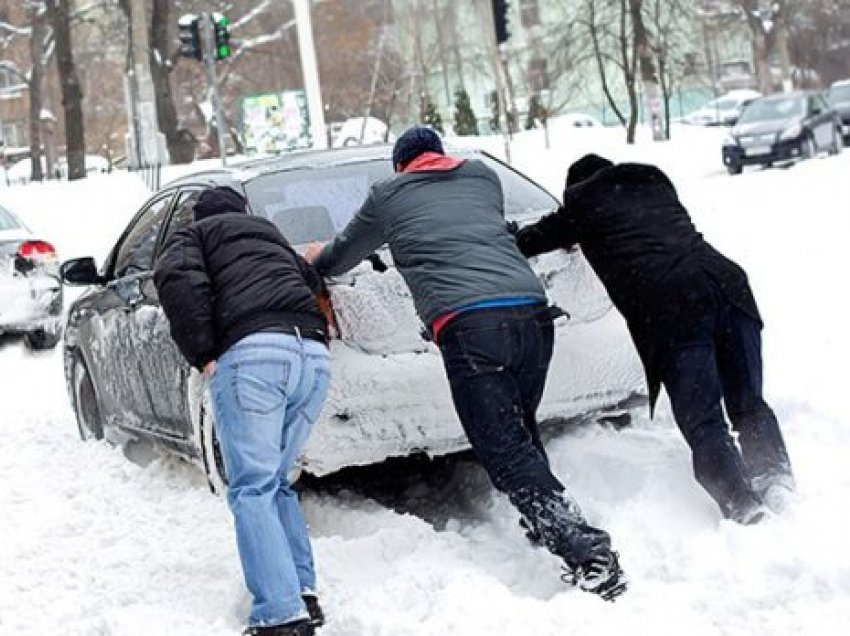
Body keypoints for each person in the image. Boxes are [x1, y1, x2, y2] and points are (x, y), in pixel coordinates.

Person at [304, 127, 627, 600]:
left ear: (401, 165)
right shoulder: (482, 177)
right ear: (440, 154)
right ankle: (546, 521)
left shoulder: (388, 195)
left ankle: (585, 549)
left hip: (473, 327)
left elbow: (341, 256)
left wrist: (316, 260)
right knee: (519, 430)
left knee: (502, 449)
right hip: (534, 318)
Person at [513, 154, 794, 524]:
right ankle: (774, 476)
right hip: (728, 285)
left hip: (675, 305)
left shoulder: (582, 204)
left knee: (703, 416)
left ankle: (742, 504)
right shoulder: (654, 182)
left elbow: (530, 240)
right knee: (747, 400)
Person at [154, 186, 329, 636]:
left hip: (254, 357)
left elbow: (177, 280)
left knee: (251, 487)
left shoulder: (193, 237)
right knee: (276, 482)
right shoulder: (270, 235)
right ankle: (302, 593)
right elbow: (311, 283)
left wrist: (202, 351)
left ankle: (279, 613)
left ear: (200, 216)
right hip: (312, 356)